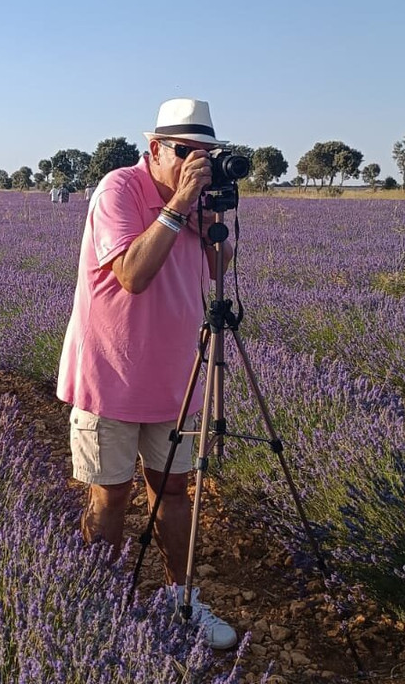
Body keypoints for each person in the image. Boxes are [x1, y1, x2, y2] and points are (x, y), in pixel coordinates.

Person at [56, 98, 237, 650]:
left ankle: (181, 600)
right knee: (110, 497)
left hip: (174, 378)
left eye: (205, 154)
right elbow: (132, 275)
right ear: (154, 149)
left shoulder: (199, 201)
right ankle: (100, 604)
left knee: (176, 492)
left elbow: (216, 269)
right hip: (109, 374)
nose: (194, 165)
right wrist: (180, 206)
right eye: (184, 152)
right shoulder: (118, 189)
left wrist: (212, 229)